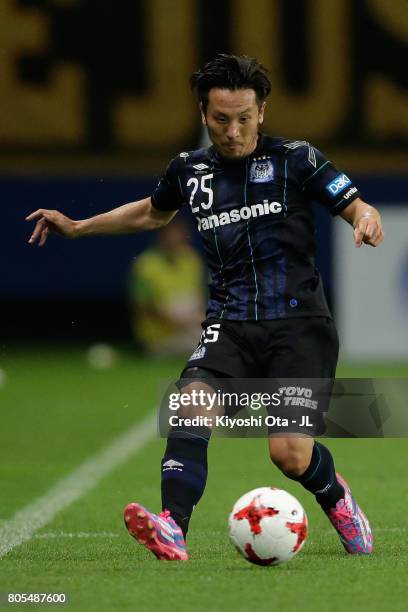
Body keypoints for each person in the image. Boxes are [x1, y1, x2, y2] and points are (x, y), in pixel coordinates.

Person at [27, 54, 384, 561]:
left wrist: (364, 219)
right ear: (203, 114)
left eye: (243, 118)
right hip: (229, 323)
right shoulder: (189, 171)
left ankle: (337, 498)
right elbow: (152, 212)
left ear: (262, 111)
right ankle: (173, 526)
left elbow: (355, 203)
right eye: (221, 119)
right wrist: (81, 226)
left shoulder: (296, 159)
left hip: (299, 326)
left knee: (289, 455)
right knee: (189, 402)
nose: (233, 131)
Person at [129, 218, 205, 356]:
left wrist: (196, 319)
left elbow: (201, 297)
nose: (176, 236)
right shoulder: (145, 265)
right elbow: (144, 307)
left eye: (179, 232)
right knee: (207, 348)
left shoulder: (191, 259)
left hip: (191, 326)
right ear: (161, 235)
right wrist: (179, 322)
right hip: (159, 336)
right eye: (171, 232)